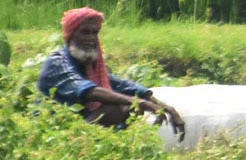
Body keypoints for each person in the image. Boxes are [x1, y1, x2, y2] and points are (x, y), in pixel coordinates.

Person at [36, 8, 183, 134]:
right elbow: (88, 91)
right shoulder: (57, 63)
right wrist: (142, 103)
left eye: (95, 33)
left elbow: (125, 86)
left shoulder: (90, 66)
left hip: (76, 124)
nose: (91, 38)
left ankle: (111, 146)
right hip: (51, 129)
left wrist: (168, 109)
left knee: (129, 106)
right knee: (115, 108)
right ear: (70, 35)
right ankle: (81, 147)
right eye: (85, 32)